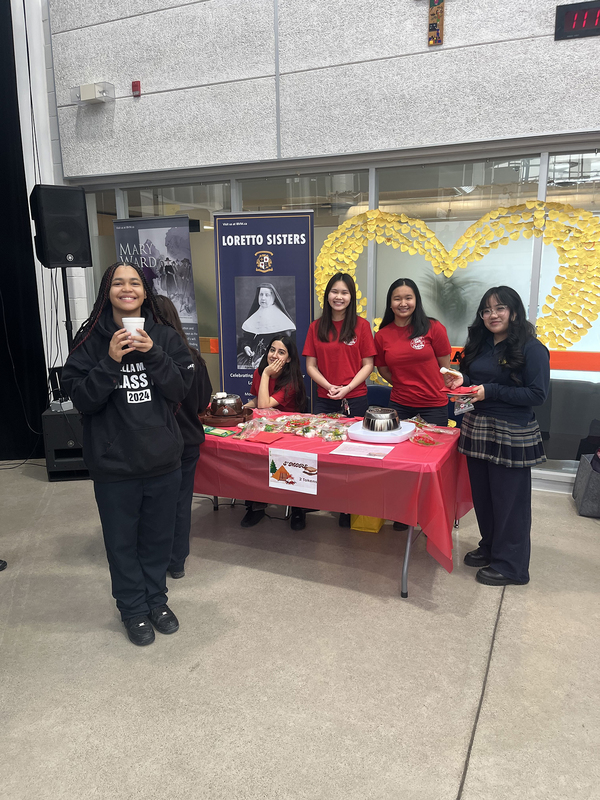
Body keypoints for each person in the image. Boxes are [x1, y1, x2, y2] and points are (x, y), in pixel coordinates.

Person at [61, 262, 194, 646]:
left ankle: (156, 600)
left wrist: (153, 354)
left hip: (162, 460)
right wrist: (110, 361)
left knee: (156, 540)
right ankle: (133, 609)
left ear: (144, 292)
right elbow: (83, 398)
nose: (127, 288)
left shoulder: (164, 336)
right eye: (118, 282)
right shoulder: (89, 339)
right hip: (114, 463)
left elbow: (179, 389)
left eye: (134, 282)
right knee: (121, 543)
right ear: (108, 291)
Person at [444, 286, 549, 587]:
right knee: (485, 497)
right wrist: (462, 380)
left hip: (511, 432)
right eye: (487, 310)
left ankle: (512, 566)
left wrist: (490, 391)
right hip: (477, 427)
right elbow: (475, 381)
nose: (493, 315)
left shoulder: (531, 348)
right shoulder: (480, 344)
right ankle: (490, 547)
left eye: (500, 308)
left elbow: (537, 393)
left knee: (510, 501)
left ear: (514, 312)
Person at [303, 272, 376, 527]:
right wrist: (330, 386)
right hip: (324, 399)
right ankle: (314, 501)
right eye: (335, 291)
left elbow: (369, 365)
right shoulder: (316, 326)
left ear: (351, 297)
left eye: (345, 292)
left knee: (350, 455)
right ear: (327, 295)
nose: (339, 297)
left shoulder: (361, 326)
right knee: (319, 451)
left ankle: (347, 506)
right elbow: (310, 365)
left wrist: (346, 389)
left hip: (355, 399)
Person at [154, 294, 212, 580]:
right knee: (180, 504)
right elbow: (204, 403)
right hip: (188, 441)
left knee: (153, 506)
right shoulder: (194, 359)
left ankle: (155, 560)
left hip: (156, 444)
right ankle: (176, 562)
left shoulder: (146, 361)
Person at [242, 335, 308, 530]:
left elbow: (264, 405)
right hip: (266, 428)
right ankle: (255, 506)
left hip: (288, 432)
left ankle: (298, 509)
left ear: (289, 358)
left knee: (292, 465)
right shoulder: (260, 371)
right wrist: (241, 408)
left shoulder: (292, 380)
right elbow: (258, 400)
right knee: (252, 460)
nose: (274, 355)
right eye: (272, 350)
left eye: (281, 352)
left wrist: (266, 375)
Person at [374, 278, 451, 426]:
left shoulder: (433, 327)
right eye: (397, 299)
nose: (403, 304)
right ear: (390, 303)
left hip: (433, 404)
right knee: (398, 448)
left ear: (416, 300)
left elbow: (445, 368)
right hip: (400, 404)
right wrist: (403, 385)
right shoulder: (381, 335)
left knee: (433, 448)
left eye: (408, 298)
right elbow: (383, 369)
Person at [238, 283, 296, 369]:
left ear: (273, 297)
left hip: (275, 358)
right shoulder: (255, 315)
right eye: (261, 295)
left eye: (267, 295)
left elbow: (285, 344)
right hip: (253, 355)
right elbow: (247, 337)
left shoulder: (280, 317)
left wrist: (266, 358)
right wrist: (246, 347)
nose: (263, 298)